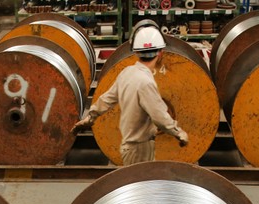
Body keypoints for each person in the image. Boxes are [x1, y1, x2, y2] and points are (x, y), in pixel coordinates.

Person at [72, 25, 189, 166]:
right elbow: (159, 116)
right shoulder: (146, 83)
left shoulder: (126, 73)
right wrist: (179, 132)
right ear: (160, 54)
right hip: (140, 149)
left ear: (136, 53)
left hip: (128, 147)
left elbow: (107, 99)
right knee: (140, 185)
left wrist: (91, 116)